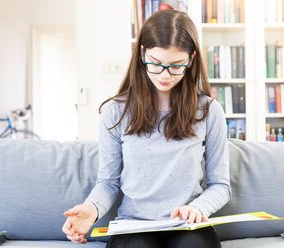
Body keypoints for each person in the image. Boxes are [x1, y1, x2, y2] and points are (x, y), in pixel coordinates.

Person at [62, 9, 231, 248]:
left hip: (187, 226)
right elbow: (108, 182)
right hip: (134, 225)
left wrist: (197, 208)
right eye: (156, 63)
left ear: (191, 60)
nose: (164, 75)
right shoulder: (115, 111)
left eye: (176, 66)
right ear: (142, 54)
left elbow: (221, 185)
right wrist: (92, 208)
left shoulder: (209, 111)